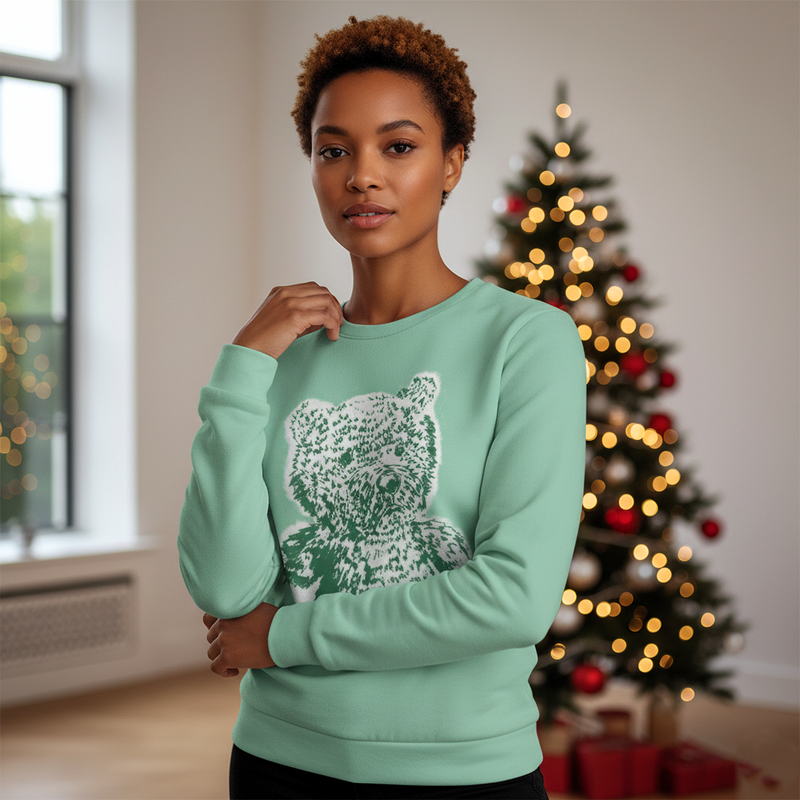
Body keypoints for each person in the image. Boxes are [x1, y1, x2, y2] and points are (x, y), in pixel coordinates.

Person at [179, 15, 586, 800]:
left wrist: (284, 635)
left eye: (398, 146)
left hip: (463, 775)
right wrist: (243, 367)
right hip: (277, 762)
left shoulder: (527, 342)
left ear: (452, 163)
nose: (362, 175)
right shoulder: (279, 355)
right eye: (335, 150)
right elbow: (226, 591)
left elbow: (512, 599)